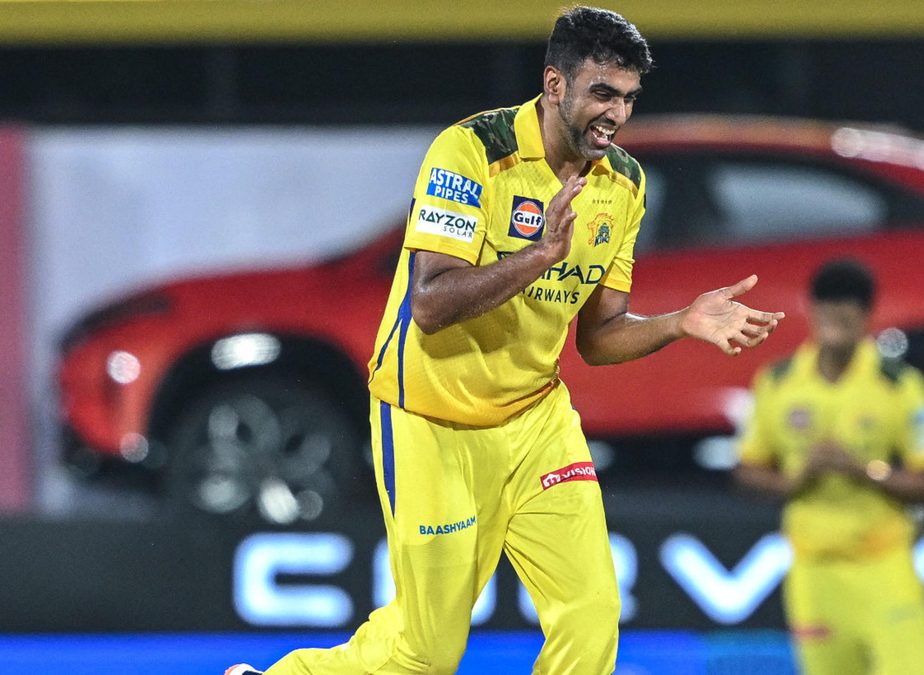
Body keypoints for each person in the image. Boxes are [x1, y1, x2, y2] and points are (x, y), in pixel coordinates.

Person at [227, 6, 784, 675]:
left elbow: (600, 338)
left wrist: (679, 322)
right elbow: (429, 304)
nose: (617, 115)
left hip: (534, 419)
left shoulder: (624, 185)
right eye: (602, 94)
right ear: (555, 85)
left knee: (591, 613)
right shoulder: (472, 151)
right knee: (425, 651)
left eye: (629, 99)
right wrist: (539, 256)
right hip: (430, 421)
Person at [733, 258, 924, 675]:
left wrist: (866, 471)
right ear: (811, 310)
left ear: (867, 317)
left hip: (884, 566)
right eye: (827, 312)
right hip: (814, 573)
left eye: (846, 316)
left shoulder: (899, 385)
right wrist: (798, 478)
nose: (835, 324)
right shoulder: (777, 383)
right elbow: (747, 471)